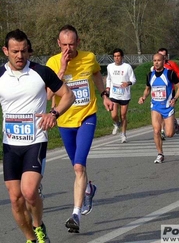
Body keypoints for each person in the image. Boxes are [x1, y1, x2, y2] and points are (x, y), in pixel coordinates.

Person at [1, 29, 75, 243]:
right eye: (15, 51)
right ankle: (31, 239)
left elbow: (67, 96)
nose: (19, 56)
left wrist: (54, 113)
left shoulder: (41, 72)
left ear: (29, 51)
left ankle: (38, 225)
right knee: (15, 199)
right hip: (10, 145)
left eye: (24, 51)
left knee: (30, 192)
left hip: (35, 141)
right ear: (6, 51)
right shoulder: (0, 76)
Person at [46, 25, 114, 234]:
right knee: (78, 166)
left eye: (72, 44)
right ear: (58, 44)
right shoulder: (52, 63)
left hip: (86, 117)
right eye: (64, 44)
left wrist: (103, 95)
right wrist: (62, 70)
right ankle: (89, 188)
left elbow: (96, 74)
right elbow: (47, 95)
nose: (69, 48)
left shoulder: (89, 57)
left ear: (78, 42)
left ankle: (76, 213)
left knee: (78, 166)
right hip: (65, 121)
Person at [138, 53, 179, 163]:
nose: (156, 63)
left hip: (168, 106)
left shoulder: (170, 74)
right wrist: (143, 97)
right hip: (155, 107)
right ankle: (160, 153)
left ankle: (174, 125)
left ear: (163, 61)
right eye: (154, 60)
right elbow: (147, 89)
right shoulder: (150, 75)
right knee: (156, 130)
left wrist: (175, 99)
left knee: (169, 134)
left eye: (159, 60)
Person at [106, 48, 136, 143]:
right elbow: (109, 78)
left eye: (118, 56)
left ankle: (123, 134)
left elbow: (133, 79)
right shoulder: (110, 67)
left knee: (123, 115)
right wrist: (107, 88)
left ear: (122, 57)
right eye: (115, 56)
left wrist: (128, 83)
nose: (116, 58)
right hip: (114, 94)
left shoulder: (127, 67)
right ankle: (116, 123)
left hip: (124, 95)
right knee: (114, 115)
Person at [156, 48, 179, 139]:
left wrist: (172, 76)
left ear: (166, 56)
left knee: (167, 109)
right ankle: (163, 130)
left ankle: (172, 123)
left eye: (163, 56)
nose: (161, 57)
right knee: (160, 111)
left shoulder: (171, 64)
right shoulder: (155, 66)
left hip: (170, 91)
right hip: (159, 92)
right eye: (160, 55)